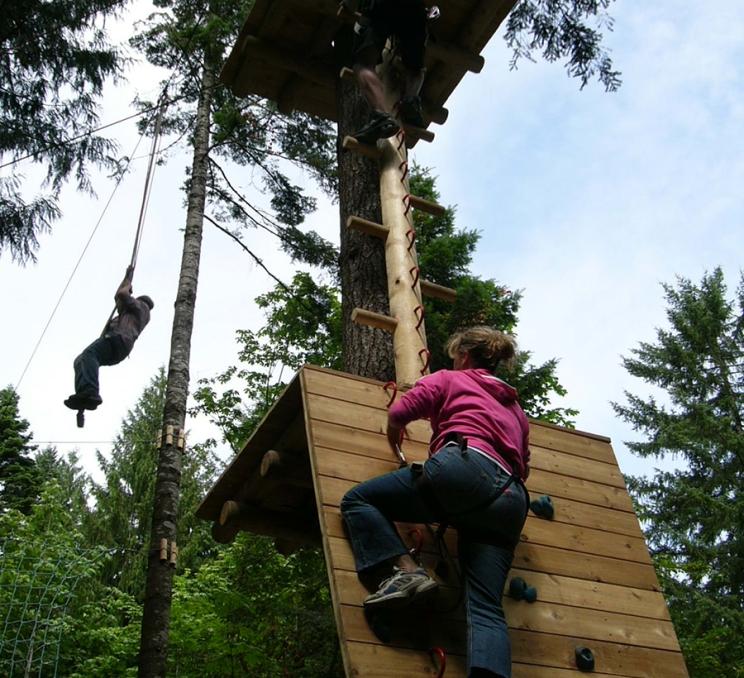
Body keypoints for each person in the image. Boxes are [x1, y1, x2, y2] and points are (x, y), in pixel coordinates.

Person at [340, 326, 530, 678]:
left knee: (358, 500)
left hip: (464, 467)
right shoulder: (515, 409)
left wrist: (394, 438)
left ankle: (405, 574)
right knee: (487, 607)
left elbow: (400, 412)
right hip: (511, 498)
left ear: (463, 355)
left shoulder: (449, 379)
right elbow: (524, 463)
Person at [64, 265, 153, 411]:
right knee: (80, 360)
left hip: (117, 340)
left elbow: (122, 294)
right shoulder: (128, 315)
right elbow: (118, 297)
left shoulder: (142, 307)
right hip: (118, 349)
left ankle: (91, 392)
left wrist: (128, 284)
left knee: (89, 354)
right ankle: (83, 394)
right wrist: (127, 277)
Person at [349, 0, 432, 144]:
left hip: (382, 8)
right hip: (415, 11)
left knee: (363, 64)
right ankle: (411, 99)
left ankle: (381, 117)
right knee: (415, 67)